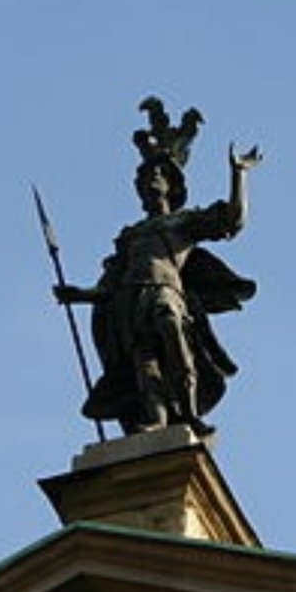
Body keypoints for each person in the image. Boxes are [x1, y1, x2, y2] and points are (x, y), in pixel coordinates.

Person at [55, 143, 261, 435]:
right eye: (146, 177)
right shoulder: (130, 235)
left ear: (172, 185)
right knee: (144, 360)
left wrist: (239, 174)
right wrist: (78, 295)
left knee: (172, 331)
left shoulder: (185, 221)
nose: (152, 180)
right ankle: (157, 417)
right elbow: (110, 285)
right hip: (130, 300)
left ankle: (189, 412)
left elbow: (232, 220)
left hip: (166, 292)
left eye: (159, 174)